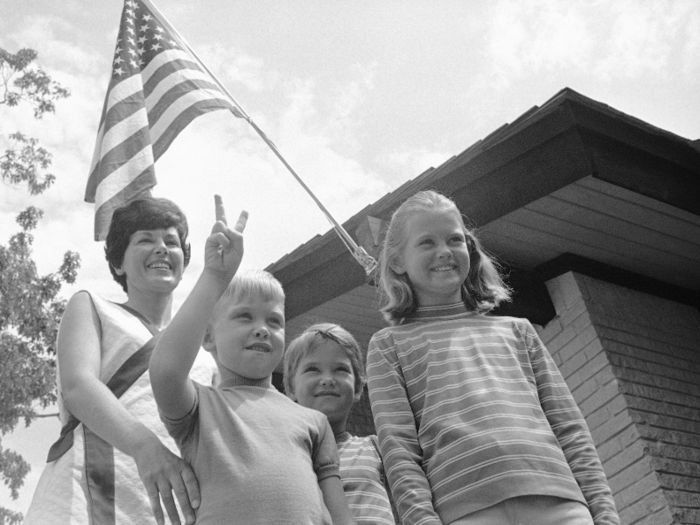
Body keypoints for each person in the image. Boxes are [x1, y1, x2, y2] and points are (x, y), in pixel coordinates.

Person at [366, 190, 620, 525]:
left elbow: (569, 428)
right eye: (426, 243)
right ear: (397, 261)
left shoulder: (519, 331)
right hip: (465, 512)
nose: (444, 251)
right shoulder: (388, 345)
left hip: (560, 504)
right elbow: (399, 450)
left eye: (455, 240)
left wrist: (603, 513)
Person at [149, 196, 356, 525]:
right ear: (208, 337)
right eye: (244, 317)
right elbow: (164, 370)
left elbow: (340, 514)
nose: (262, 330)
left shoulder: (313, 421)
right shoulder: (198, 408)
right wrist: (215, 277)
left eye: (274, 322)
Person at [24, 197, 215, 525]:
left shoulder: (204, 356)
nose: (161, 248)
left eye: (171, 241)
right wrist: (146, 447)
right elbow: (78, 386)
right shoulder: (93, 307)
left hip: (169, 507)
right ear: (117, 263)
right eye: (145, 239)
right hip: (83, 493)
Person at [284, 323, 398, 525]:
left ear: (358, 387)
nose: (327, 379)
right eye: (313, 369)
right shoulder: (282, 456)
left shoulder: (377, 448)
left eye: (340, 369)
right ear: (291, 388)